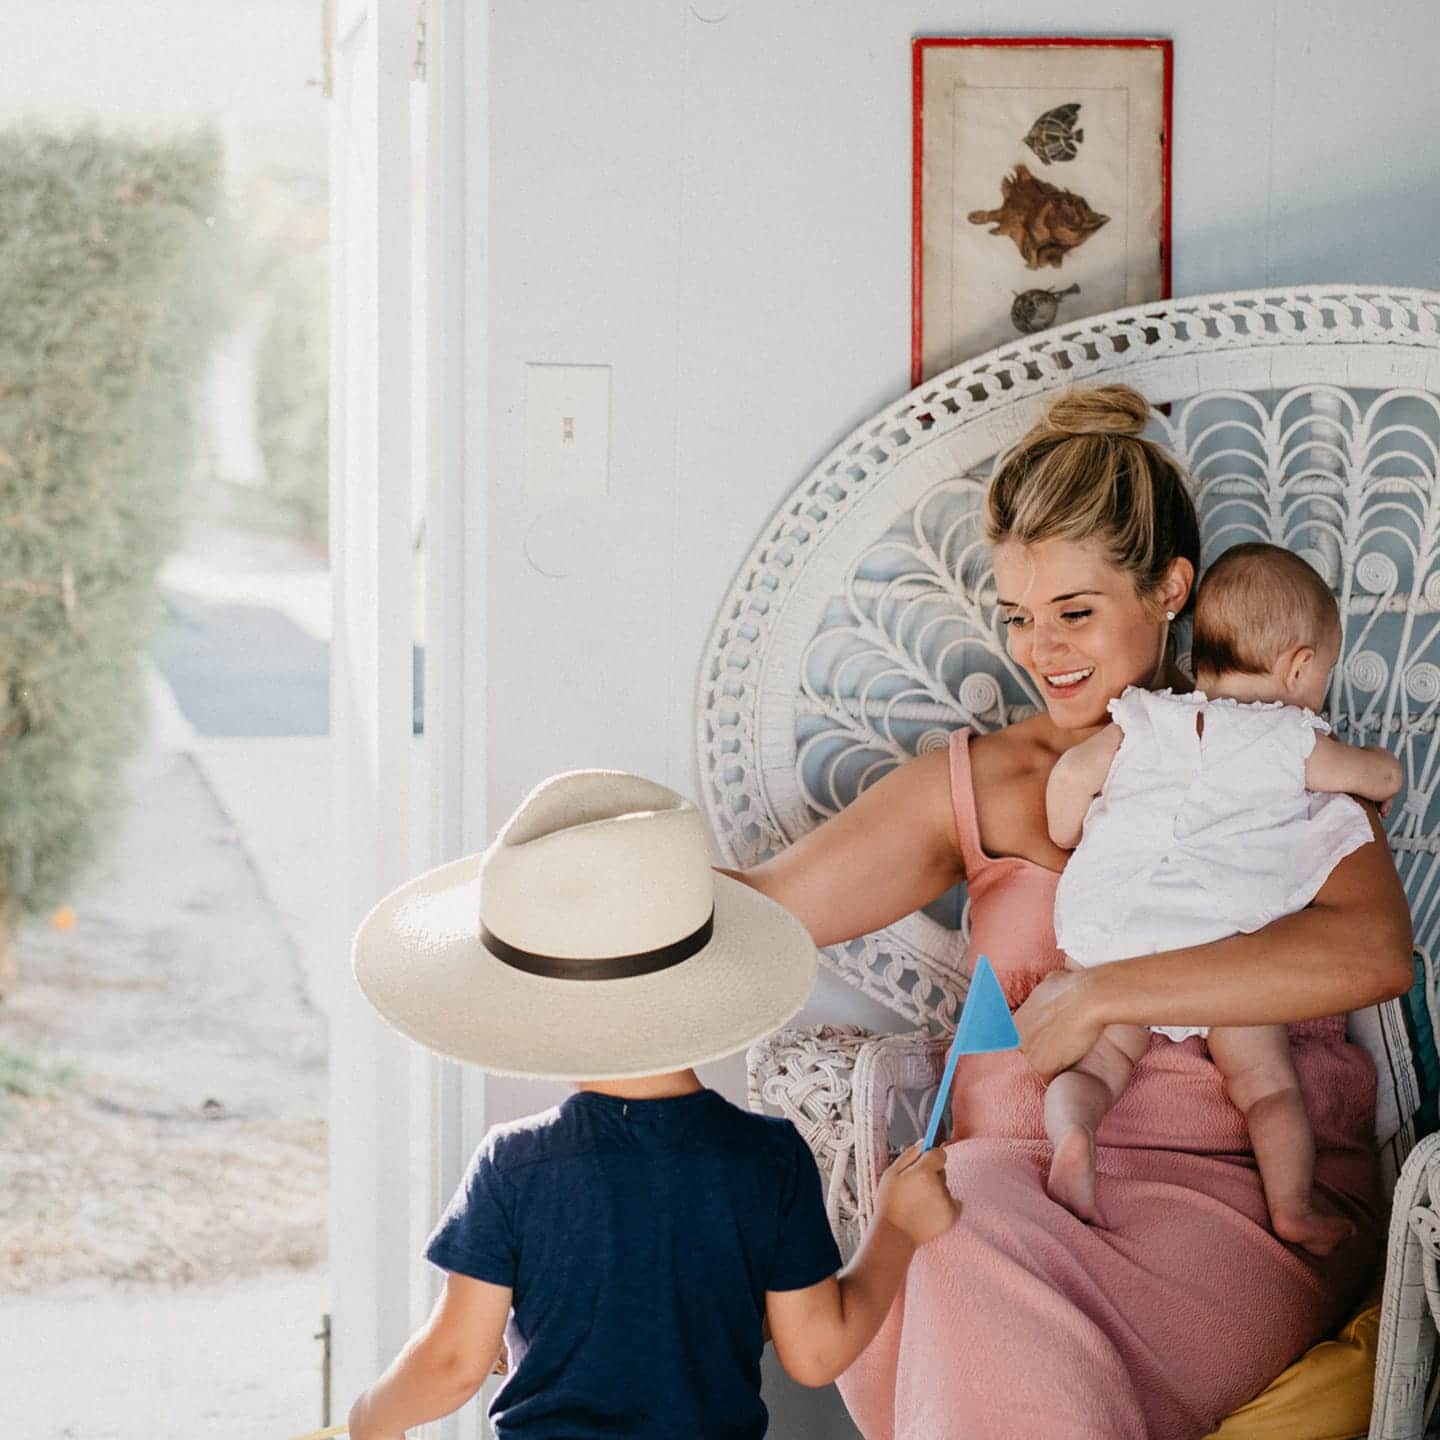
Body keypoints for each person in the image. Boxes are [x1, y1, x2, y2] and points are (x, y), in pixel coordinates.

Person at [730, 385, 1412, 1438]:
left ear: (1171, 587)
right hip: (1015, 1183)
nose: (1040, 650)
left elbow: (1374, 953)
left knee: (969, 1254)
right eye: (1018, 617)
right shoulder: (983, 780)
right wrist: (580, 891)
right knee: (956, 1231)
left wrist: (1101, 993)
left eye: (1075, 612)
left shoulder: (1262, 751)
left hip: (1241, 1203)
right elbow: (765, 913)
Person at [345, 769, 958, 1440]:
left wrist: (373, 1416)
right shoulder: (770, 1159)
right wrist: (896, 1229)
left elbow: (455, 1362)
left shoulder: (514, 1168)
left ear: (533, 1010)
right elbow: (814, 1354)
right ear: (700, 987)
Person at [1043, 542, 1403, 1252]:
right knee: (1269, 1087)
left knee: (1097, 1066)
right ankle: (1293, 1206)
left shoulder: (1145, 719)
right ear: (1300, 669)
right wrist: (1375, 769)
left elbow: (1068, 783)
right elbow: (1379, 780)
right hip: (1222, 944)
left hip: (1120, 929)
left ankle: (1075, 1138)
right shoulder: (1293, 738)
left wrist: (1069, 832)